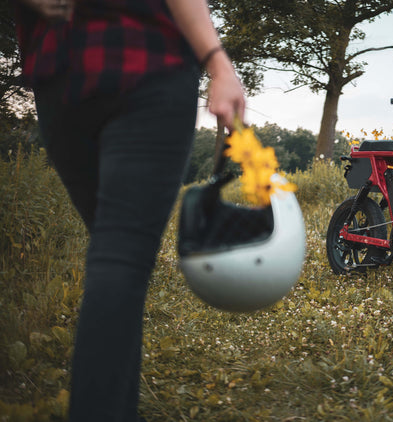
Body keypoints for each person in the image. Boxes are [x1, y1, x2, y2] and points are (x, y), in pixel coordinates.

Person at [13, 0, 245, 420]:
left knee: (115, 257)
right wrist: (219, 65)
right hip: (149, 58)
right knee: (120, 259)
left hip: (62, 72)